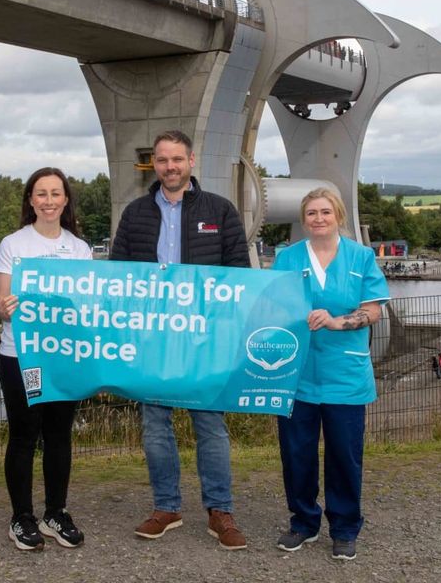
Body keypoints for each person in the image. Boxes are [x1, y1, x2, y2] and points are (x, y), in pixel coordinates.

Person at [110, 129, 251, 550]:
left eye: (177, 159)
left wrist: (223, 329)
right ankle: (166, 506)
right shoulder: (135, 213)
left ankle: (220, 511)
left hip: (204, 339)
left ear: (192, 161)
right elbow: (117, 275)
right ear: (153, 164)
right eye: (161, 160)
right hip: (152, 338)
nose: (169, 167)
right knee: (155, 425)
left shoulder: (220, 210)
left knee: (210, 424)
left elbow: (238, 275)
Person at [272, 187, 390, 562]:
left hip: (345, 375)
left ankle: (344, 527)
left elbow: (372, 311)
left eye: (325, 212)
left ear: (338, 214)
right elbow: (271, 306)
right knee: (297, 454)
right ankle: (303, 523)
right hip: (296, 375)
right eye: (311, 213)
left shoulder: (362, 257)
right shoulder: (287, 259)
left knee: (344, 456)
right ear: (302, 220)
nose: (318, 219)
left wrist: (339, 322)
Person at [0, 167, 91, 551]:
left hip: (63, 358)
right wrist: (6, 306)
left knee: (59, 435)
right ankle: (21, 517)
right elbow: (0, 304)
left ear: (65, 200)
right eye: (41, 193)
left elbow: (86, 306)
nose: (49, 200)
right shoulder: (14, 244)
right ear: (30, 200)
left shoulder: (80, 249)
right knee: (23, 435)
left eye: (56, 193)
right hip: (20, 356)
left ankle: (55, 512)